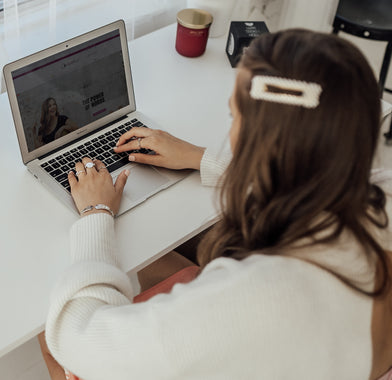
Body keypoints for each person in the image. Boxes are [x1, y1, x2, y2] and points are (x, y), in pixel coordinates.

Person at [39, 29, 392, 379]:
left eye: (234, 117)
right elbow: (307, 173)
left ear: (262, 144)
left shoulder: (248, 304)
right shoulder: (380, 197)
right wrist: (198, 157)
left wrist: (95, 213)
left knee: (44, 331)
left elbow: (77, 333)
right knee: (160, 255)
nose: (231, 132)